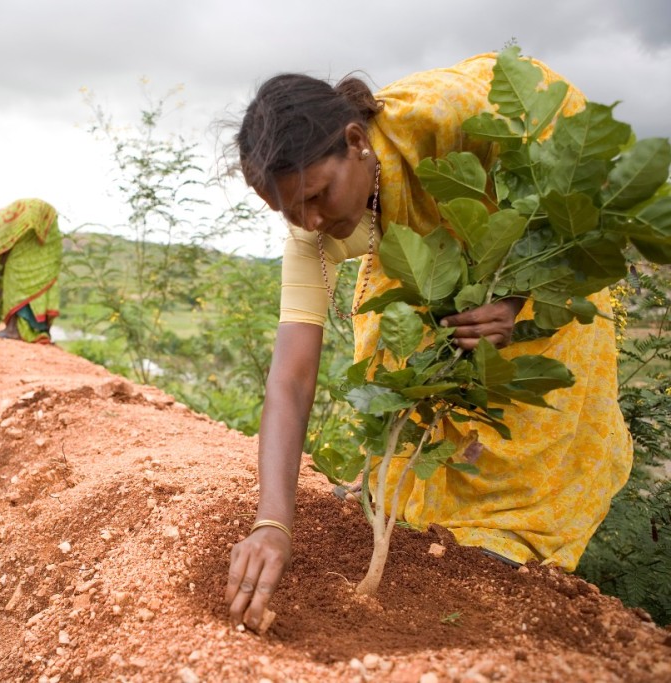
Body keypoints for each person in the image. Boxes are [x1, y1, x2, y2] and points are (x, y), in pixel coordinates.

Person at [224, 53, 632, 630]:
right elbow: (290, 377)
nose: (311, 221)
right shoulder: (311, 229)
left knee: (517, 449)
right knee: (416, 422)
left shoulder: (450, 114)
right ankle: (427, 540)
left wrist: (514, 298)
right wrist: (272, 522)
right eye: (292, 211)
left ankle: (509, 574)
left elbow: (577, 178)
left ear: (355, 140)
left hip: (541, 281)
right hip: (438, 287)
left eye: (319, 196)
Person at [0, 198, 62, 343]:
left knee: (13, 281)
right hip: (45, 226)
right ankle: (35, 329)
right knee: (29, 281)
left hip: (38, 224)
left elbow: (3, 257)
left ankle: (13, 330)